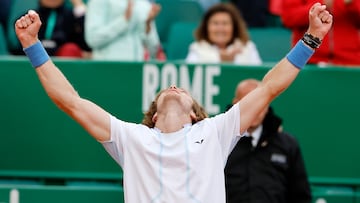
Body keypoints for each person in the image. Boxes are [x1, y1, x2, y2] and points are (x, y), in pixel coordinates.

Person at [14, 3, 332, 202]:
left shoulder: (215, 132)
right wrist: (32, 46)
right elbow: (70, 101)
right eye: (167, 89)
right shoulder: (131, 138)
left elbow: (268, 88)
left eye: (182, 90)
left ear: (195, 114)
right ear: (152, 116)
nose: (174, 86)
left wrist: (312, 38)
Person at [224, 79, 312, 203]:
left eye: (259, 104)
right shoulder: (220, 142)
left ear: (267, 105)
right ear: (235, 104)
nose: (254, 111)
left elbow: (301, 196)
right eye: (247, 104)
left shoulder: (287, 144)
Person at [281, 0, 360, 66]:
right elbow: (289, 18)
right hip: (309, 60)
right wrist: (322, 4)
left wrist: (351, 4)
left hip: (349, 61)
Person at [186, 3, 262, 65]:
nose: (220, 29)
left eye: (225, 23)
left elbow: (259, 78)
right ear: (206, 28)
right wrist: (220, 60)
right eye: (215, 23)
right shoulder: (197, 48)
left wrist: (232, 61)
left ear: (234, 28)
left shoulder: (248, 48)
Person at [85, 0, 162, 61]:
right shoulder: (99, 2)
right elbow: (92, 39)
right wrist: (124, 21)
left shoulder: (144, 5)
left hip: (136, 71)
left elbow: (153, 51)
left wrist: (148, 25)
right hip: (107, 70)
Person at [11, 0, 91, 58]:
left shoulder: (73, 17)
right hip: (33, 60)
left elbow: (87, 45)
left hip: (63, 62)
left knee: (70, 49)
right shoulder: (28, 18)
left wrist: (78, 6)